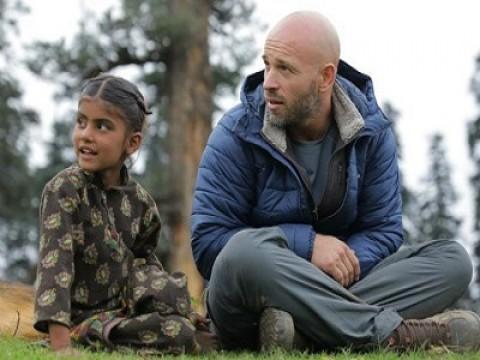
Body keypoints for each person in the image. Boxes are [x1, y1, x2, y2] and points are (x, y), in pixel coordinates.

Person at [191, 11, 480, 352]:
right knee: (242, 253)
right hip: (251, 294)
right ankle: (395, 335)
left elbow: (383, 230)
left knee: (452, 260)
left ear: (326, 77)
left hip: (341, 285)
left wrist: (340, 265)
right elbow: (209, 241)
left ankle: (300, 333)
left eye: (285, 69)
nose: (268, 80)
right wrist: (308, 247)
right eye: (267, 64)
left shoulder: (371, 131)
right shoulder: (236, 132)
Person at [33, 74, 217, 355]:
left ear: (132, 143)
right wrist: (61, 346)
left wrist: (175, 303)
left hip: (126, 309)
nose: (85, 135)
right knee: (178, 333)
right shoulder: (63, 191)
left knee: (169, 294)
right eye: (81, 122)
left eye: (102, 126)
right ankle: (96, 337)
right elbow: (54, 267)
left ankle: (210, 330)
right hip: (82, 320)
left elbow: (145, 262)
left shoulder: (141, 202)